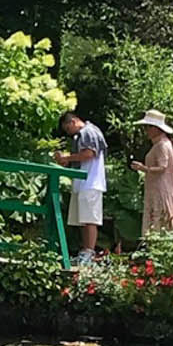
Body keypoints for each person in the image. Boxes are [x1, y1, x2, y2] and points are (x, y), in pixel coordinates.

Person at [55, 108, 108, 260]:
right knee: (83, 220)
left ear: (73, 121)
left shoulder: (87, 132)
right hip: (82, 182)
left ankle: (89, 252)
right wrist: (66, 160)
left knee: (90, 219)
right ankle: (85, 251)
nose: (68, 132)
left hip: (91, 182)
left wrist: (67, 157)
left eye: (68, 128)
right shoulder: (81, 135)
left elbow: (89, 154)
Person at [131, 109, 173, 234]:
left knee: (159, 220)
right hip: (156, 188)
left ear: (156, 128)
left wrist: (144, 168)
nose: (146, 131)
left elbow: (162, 167)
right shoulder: (161, 143)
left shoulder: (162, 145)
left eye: (148, 127)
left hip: (160, 190)